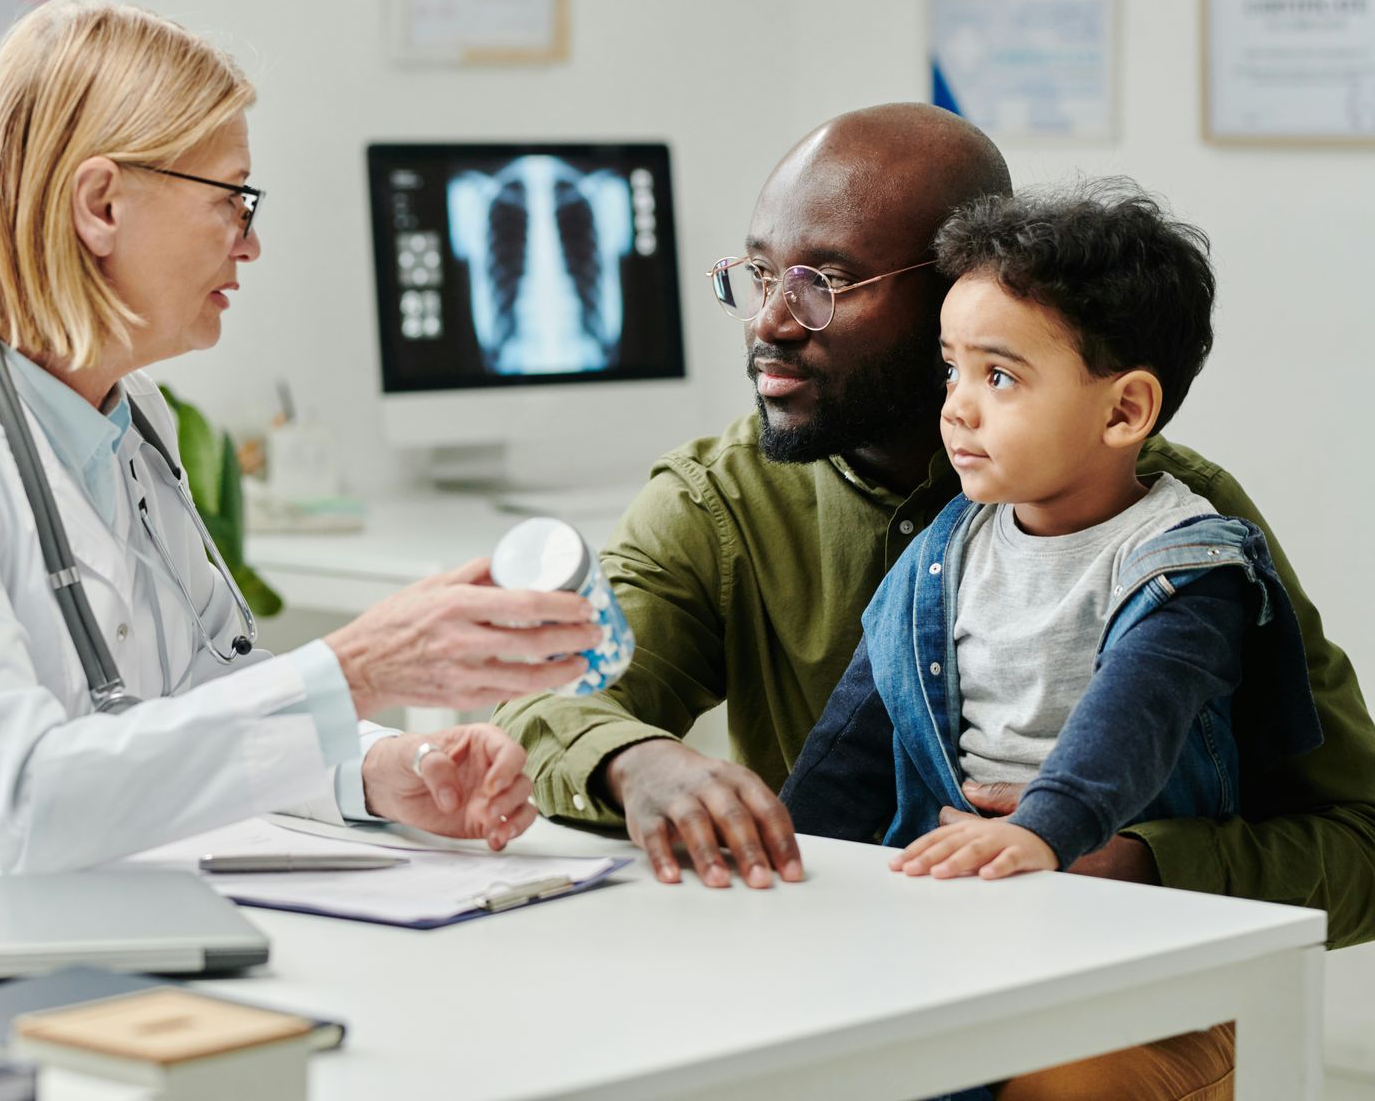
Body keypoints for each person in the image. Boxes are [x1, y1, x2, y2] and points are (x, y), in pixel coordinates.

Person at [491, 103, 1375, 1097]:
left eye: (824, 283)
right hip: (852, 965)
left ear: (961, 286)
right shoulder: (718, 501)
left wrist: (1127, 862)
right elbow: (535, 703)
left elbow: (1359, 844)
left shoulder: (1176, 537)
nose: (770, 320)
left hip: (1102, 988)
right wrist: (637, 759)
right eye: (756, 274)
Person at [0, 0, 601, 885]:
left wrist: (379, 769)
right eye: (232, 198)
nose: (250, 244)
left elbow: (203, 692)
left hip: (29, 924)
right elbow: (21, 802)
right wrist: (360, 670)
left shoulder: (127, 414)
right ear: (101, 205)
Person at [779, 183, 1320, 888]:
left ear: (1125, 410)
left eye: (999, 376)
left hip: (1124, 907)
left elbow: (1135, 716)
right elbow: (857, 736)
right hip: (957, 888)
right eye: (952, 370)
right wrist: (784, 848)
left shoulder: (1187, 567)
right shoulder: (944, 554)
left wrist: (1044, 829)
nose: (957, 408)